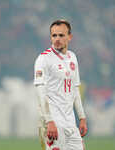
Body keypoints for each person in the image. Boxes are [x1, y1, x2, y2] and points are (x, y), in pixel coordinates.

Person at [34, 19, 87, 150]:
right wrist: (49, 121)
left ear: (70, 37)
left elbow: (75, 89)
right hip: (53, 122)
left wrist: (82, 117)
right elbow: (41, 92)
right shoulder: (43, 59)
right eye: (54, 35)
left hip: (70, 122)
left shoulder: (72, 57)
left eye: (61, 35)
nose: (57, 39)